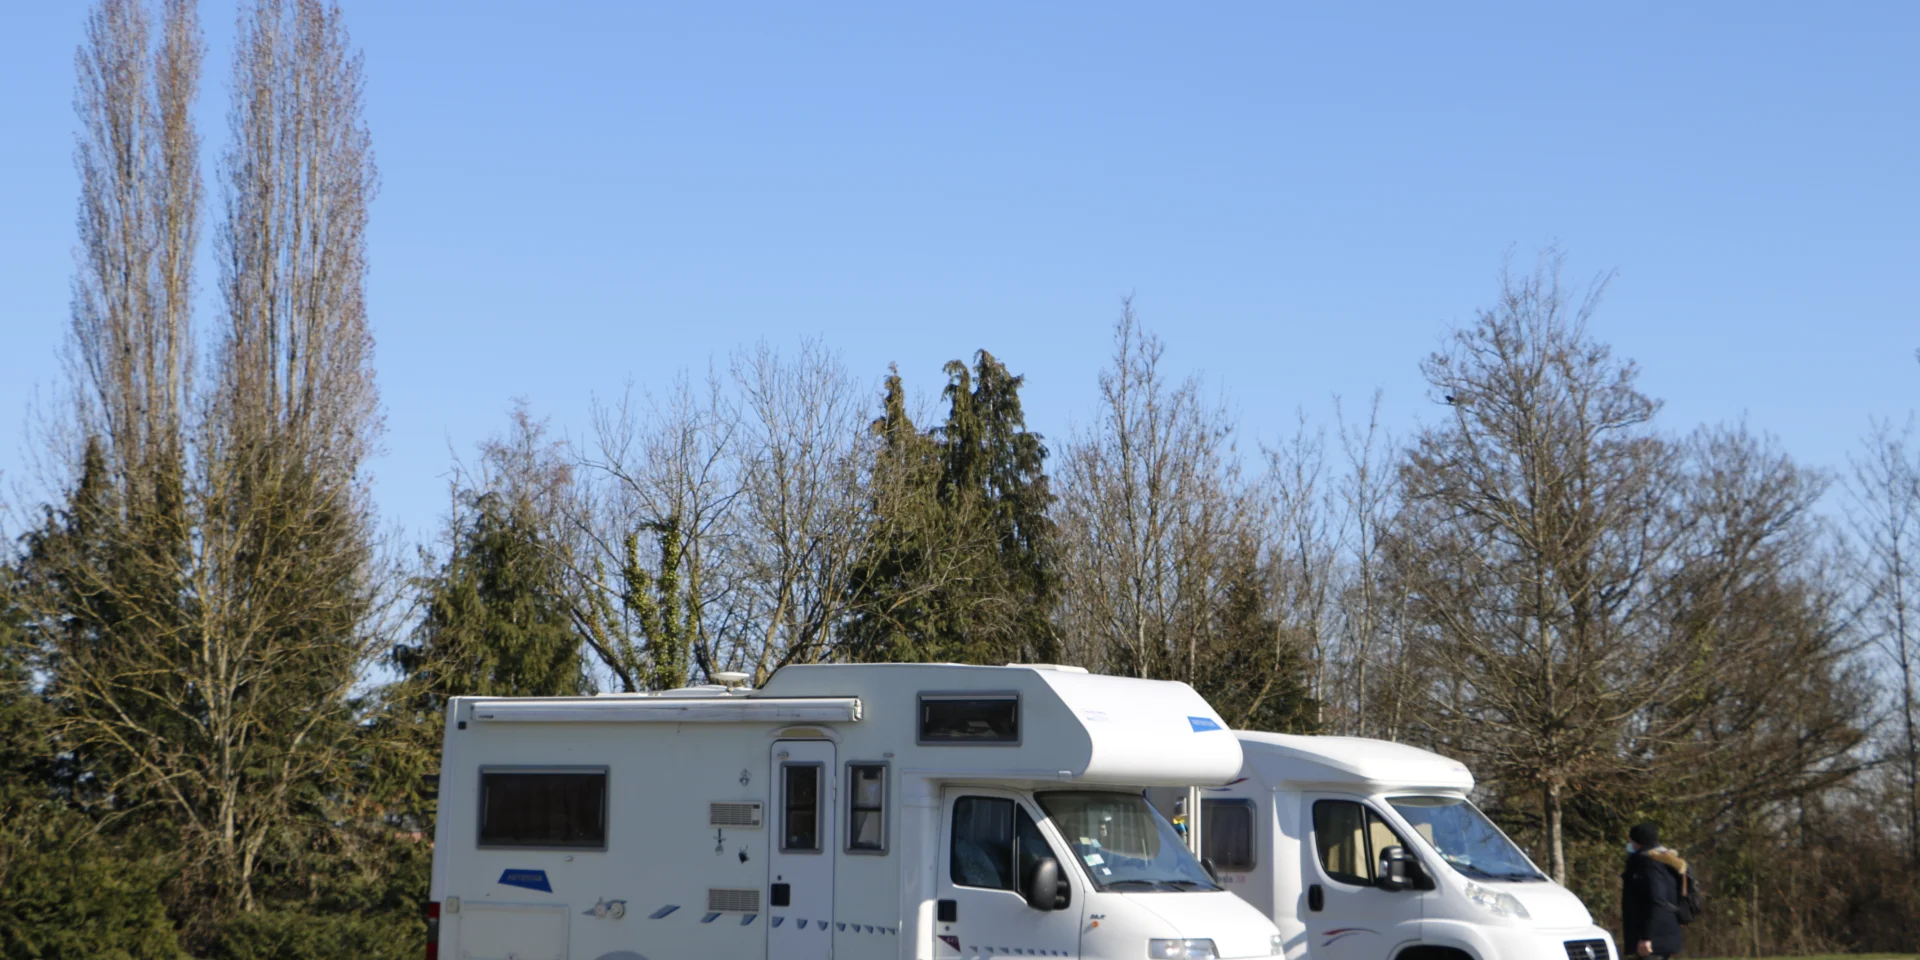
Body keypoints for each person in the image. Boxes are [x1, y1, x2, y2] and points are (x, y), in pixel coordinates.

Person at [1620, 822, 1688, 958]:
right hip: (1666, 932)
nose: (1630, 845)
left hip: (1652, 939)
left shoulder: (1648, 864)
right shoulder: (1666, 861)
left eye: (1631, 841)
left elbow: (1655, 900)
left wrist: (1646, 937)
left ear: (1639, 842)